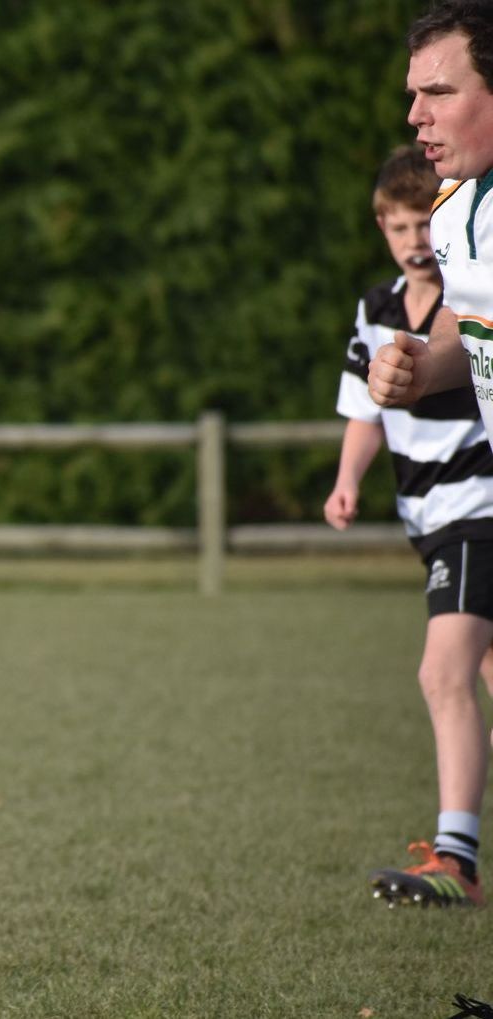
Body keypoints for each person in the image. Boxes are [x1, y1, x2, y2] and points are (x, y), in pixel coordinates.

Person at [333, 147, 493, 908]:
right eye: (396, 226)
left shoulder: (472, 296)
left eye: (423, 220)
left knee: (441, 672)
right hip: (428, 520)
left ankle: (455, 858)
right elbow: (365, 411)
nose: (411, 237)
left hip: (476, 509)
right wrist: (345, 480)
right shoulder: (375, 308)